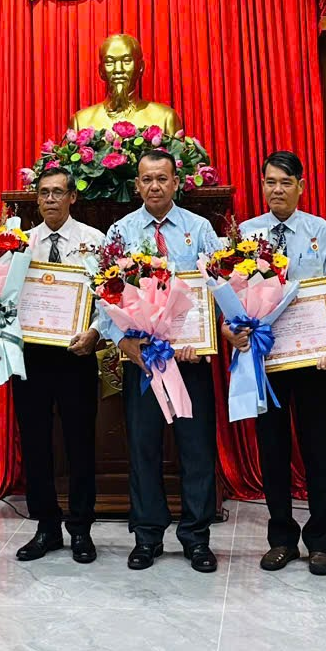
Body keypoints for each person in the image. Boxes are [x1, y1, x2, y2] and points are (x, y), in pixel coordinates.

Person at [101, 149, 222, 573]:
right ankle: (147, 535)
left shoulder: (200, 229)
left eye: (162, 179)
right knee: (143, 448)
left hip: (189, 361)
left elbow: (221, 288)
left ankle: (197, 537)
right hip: (142, 363)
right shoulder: (120, 232)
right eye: (147, 179)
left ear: (176, 182)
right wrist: (122, 342)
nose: (154, 186)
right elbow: (104, 293)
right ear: (136, 185)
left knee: (196, 449)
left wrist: (203, 339)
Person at [238, 150, 326, 576]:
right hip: (267, 358)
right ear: (262, 185)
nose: (277, 190)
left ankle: (320, 541)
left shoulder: (320, 230)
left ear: (301, 186)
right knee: (272, 449)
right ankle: (281, 538)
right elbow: (237, 293)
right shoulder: (247, 233)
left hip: (313, 358)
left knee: (318, 450)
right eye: (270, 182)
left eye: (285, 182)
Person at [13, 166, 106, 563]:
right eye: (44, 193)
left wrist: (95, 333)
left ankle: (81, 527)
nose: (50, 199)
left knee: (80, 443)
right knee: (35, 443)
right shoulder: (19, 244)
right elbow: (3, 297)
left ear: (72, 197)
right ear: (36, 199)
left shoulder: (94, 241)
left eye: (57, 192)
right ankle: (46, 526)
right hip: (30, 356)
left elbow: (110, 297)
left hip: (76, 355)